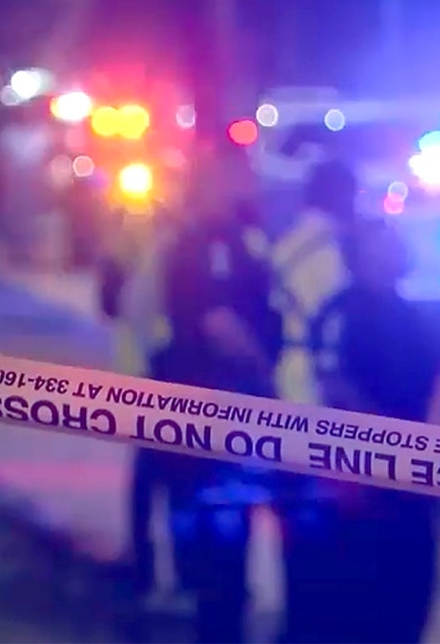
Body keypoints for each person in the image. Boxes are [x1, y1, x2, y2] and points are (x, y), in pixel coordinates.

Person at [131, 142, 282, 644]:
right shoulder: (208, 245)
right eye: (238, 176)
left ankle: (213, 605)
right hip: (212, 403)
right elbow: (218, 322)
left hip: (209, 404)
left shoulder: (229, 240)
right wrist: (265, 371)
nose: (250, 184)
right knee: (215, 521)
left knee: (211, 516)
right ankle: (215, 614)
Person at [279, 219, 438, 644]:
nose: (399, 250)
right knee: (359, 601)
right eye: (387, 243)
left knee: (408, 594)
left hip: (407, 479)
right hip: (362, 487)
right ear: (364, 255)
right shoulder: (343, 312)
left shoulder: (404, 311)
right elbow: (334, 386)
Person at [270, 160, 358, 406]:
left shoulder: (286, 243)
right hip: (317, 371)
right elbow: (333, 314)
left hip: (288, 364)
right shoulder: (327, 249)